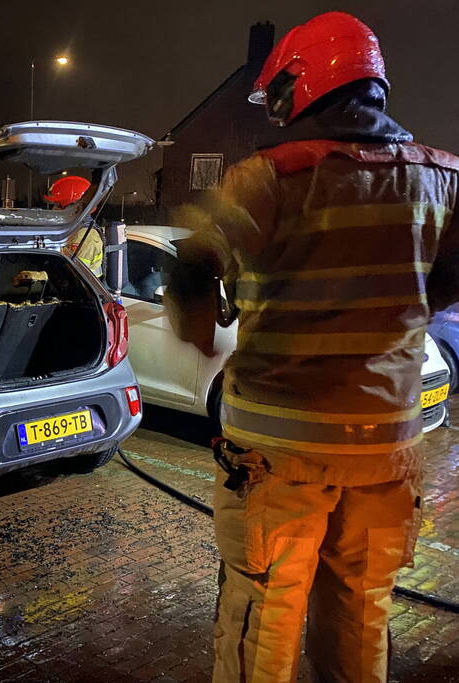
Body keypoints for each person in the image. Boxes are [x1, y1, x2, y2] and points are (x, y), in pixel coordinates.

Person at [166, 12, 459, 682]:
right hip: (384, 452)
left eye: (278, 97)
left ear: (305, 83)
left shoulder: (270, 176)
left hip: (278, 458)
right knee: (360, 617)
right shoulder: (441, 178)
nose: (275, 114)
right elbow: (450, 277)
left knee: (264, 615)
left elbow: (191, 263)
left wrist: (198, 326)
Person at [45, 175, 105, 277]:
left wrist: (38, 276)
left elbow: (73, 274)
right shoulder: (72, 230)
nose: (53, 209)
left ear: (74, 208)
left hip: (81, 291)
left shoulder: (85, 236)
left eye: (58, 205)